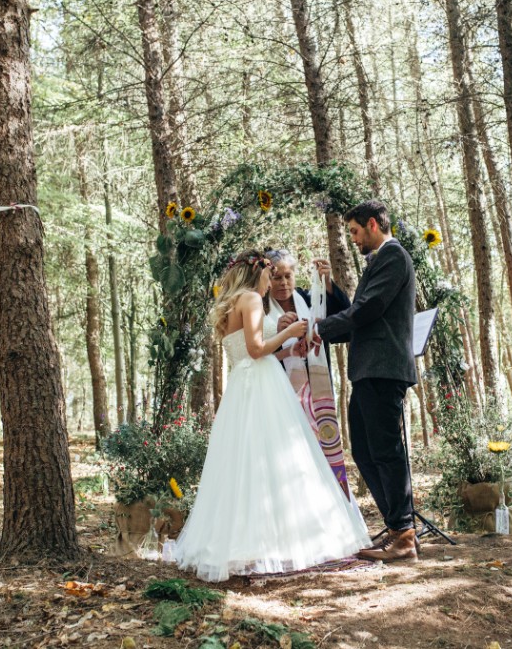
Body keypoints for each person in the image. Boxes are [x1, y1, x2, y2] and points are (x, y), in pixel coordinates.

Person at [173, 250, 370, 582]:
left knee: (246, 462)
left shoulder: (235, 300)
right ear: (258, 275)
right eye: (270, 276)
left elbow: (253, 352)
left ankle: (253, 539)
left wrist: (287, 351)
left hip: (245, 383)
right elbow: (255, 350)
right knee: (280, 459)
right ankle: (278, 540)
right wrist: (289, 335)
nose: (272, 284)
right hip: (260, 386)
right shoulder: (250, 298)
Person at [313, 201, 418, 563]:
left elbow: (368, 310)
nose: (354, 240)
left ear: (373, 224)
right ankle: (396, 528)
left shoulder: (394, 256)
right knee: (364, 451)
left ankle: (404, 534)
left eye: (356, 232)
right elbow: (361, 316)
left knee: (386, 450)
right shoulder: (380, 261)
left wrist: (319, 329)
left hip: (383, 368)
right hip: (368, 369)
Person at [265, 250, 353, 499]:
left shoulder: (309, 298)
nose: (283, 283)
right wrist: (278, 333)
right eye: (276, 277)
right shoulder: (260, 308)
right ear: (266, 278)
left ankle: (327, 499)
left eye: (287, 276)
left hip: (317, 387)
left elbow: (346, 325)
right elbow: (255, 349)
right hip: (280, 389)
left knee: (320, 448)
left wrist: (328, 284)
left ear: (295, 276)